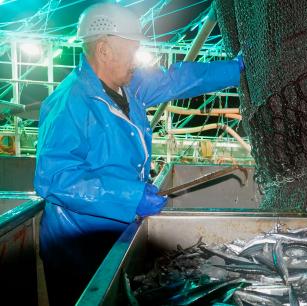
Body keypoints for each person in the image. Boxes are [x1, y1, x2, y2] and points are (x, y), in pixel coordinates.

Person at [33, 3, 243, 305]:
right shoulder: (69, 103)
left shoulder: (128, 87)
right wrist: (130, 197)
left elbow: (176, 79)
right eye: (131, 50)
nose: (136, 60)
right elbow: (54, 179)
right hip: (79, 248)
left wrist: (233, 69)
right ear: (104, 50)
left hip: (116, 234)